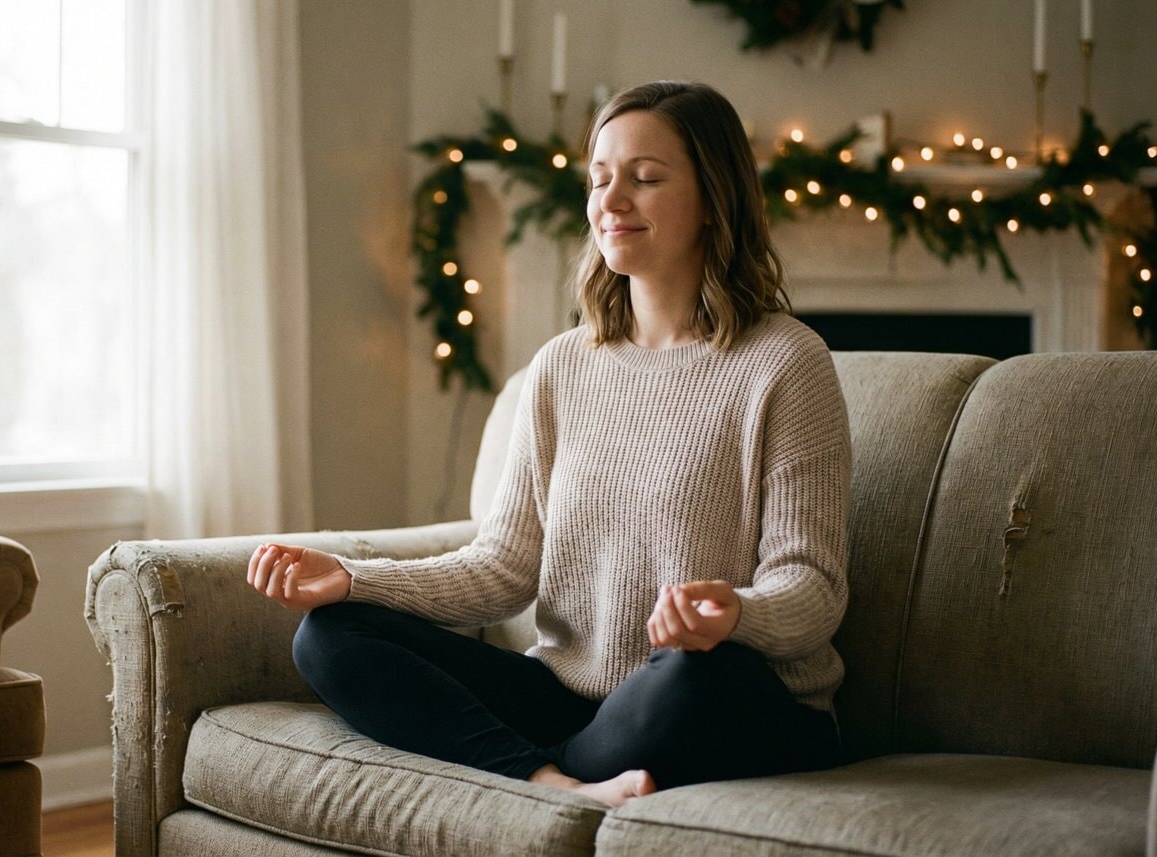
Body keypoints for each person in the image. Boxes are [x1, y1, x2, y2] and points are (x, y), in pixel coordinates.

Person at [247, 80, 850, 808]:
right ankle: (552, 780)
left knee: (702, 674)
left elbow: (812, 588)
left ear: (714, 196)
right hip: (571, 695)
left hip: (708, 693)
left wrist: (735, 612)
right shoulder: (563, 365)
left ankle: (534, 769)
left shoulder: (786, 362)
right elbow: (503, 566)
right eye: (600, 180)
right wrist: (352, 578)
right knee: (329, 634)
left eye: (646, 178)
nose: (612, 201)